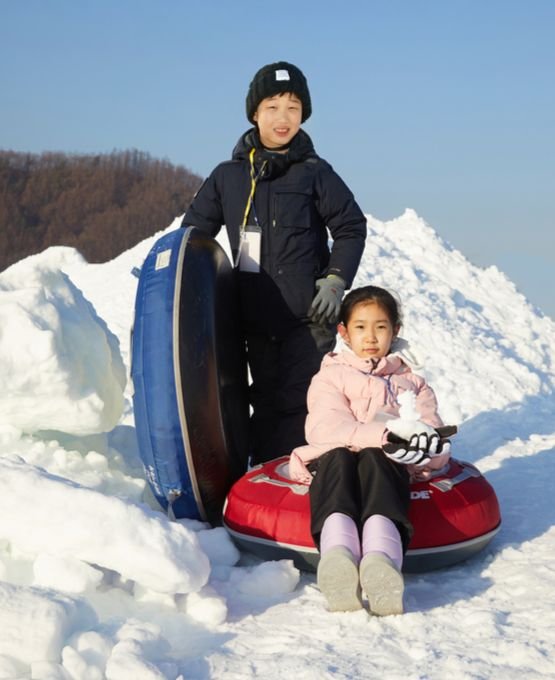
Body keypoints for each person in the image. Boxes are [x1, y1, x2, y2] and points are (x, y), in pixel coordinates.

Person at [181, 61, 367, 464]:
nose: (283, 118)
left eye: (293, 108)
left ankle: (307, 483)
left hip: (308, 319)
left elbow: (351, 226)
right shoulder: (227, 177)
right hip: (253, 320)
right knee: (262, 401)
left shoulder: (316, 174)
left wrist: (335, 280)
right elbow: (193, 237)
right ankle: (264, 485)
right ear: (254, 113)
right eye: (273, 107)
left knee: (305, 402)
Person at [289, 285, 453, 615]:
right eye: (361, 327)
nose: (371, 337)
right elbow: (327, 428)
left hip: (388, 466)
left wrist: (428, 447)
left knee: (379, 461)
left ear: (396, 331)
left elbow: (430, 435)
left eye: (381, 327)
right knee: (338, 457)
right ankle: (338, 560)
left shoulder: (414, 383)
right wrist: (387, 434)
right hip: (337, 459)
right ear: (344, 333)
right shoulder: (329, 377)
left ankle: (381, 563)